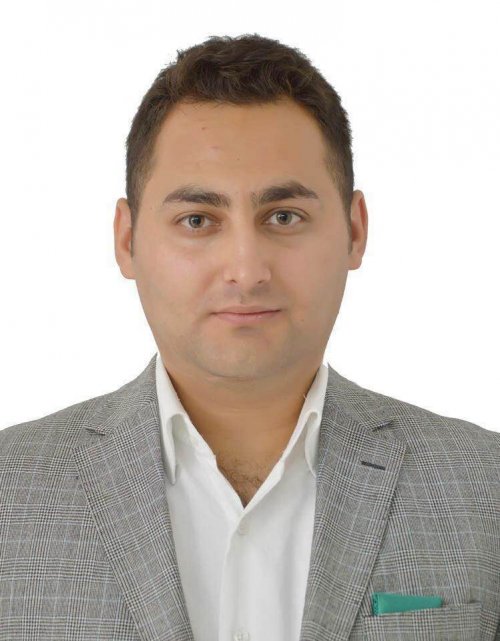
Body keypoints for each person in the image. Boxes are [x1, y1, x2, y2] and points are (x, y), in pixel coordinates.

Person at [1, 33, 498, 641]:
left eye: (283, 216)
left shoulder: (485, 487)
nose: (246, 269)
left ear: (354, 230)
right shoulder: (10, 491)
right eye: (197, 220)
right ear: (127, 241)